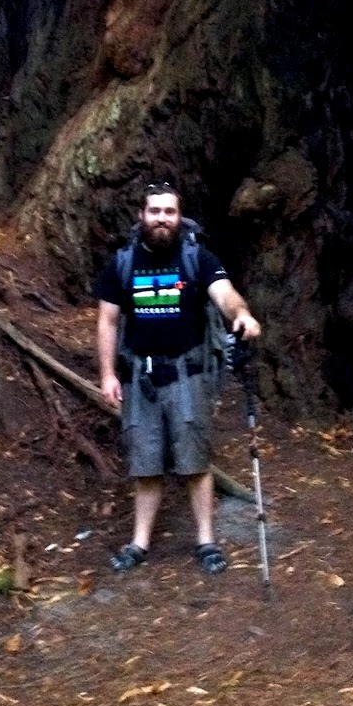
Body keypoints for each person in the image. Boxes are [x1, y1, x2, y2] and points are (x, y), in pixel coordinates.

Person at [93, 182, 261, 574]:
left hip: (189, 376)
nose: (162, 219)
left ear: (179, 216)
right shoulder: (122, 263)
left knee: (195, 462)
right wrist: (106, 374)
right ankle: (139, 542)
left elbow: (225, 294)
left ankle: (206, 541)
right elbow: (107, 320)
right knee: (145, 463)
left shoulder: (196, 259)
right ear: (142, 216)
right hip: (140, 377)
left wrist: (241, 314)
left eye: (169, 212)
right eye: (155, 211)